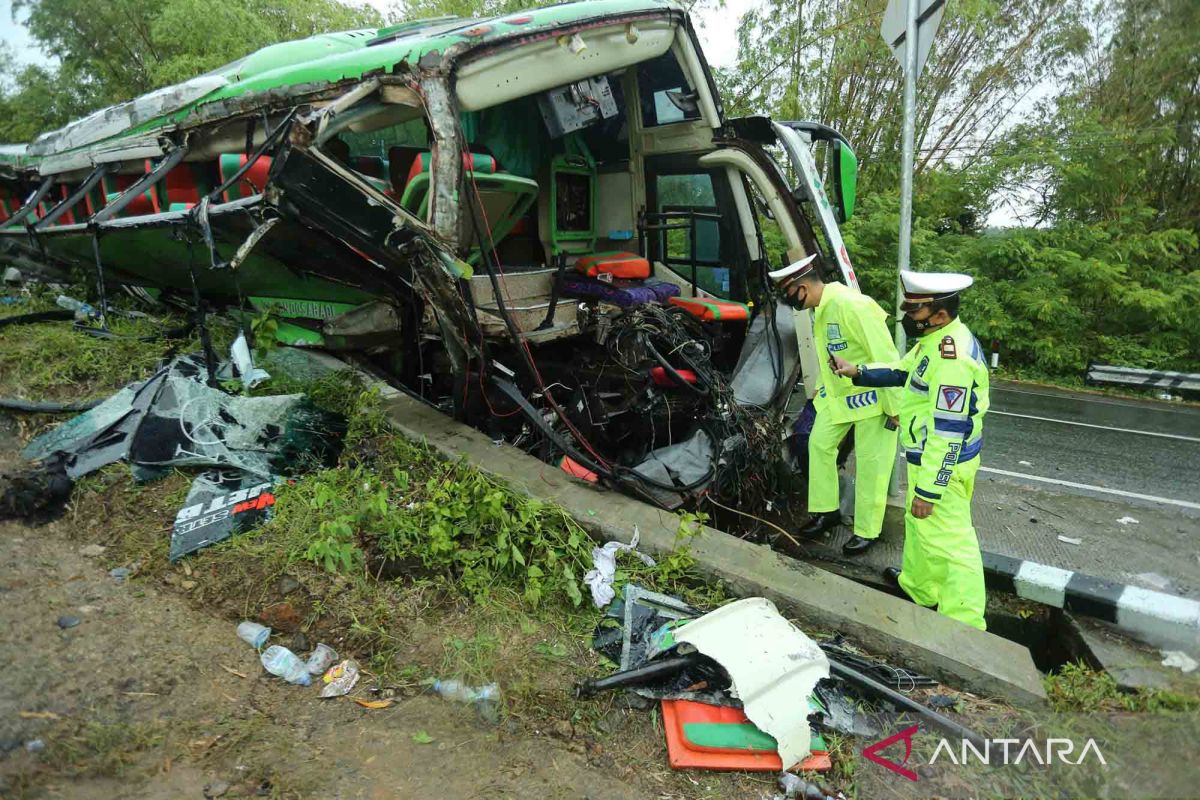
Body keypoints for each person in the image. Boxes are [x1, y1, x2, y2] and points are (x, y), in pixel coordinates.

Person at [831, 270, 990, 630]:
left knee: (951, 545)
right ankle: (919, 587)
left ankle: (964, 624)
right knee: (920, 529)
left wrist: (929, 490)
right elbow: (905, 372)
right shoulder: (935, 341)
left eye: (914, 311)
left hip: (942, 467)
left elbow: (950, 433)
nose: (906, 317)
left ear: (940, 314)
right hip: (924, 456)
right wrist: (858, 371)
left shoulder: (952, 361)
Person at [770, 254, 900, 555]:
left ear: (802, 287)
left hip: (873, 396)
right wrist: (819, 390)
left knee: (871, 464)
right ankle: (827, 511)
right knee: (818, 445)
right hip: (840, 396)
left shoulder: (853, 305)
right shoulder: (821, 308)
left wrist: (895, 407)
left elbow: (885, 353)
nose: (789, 302)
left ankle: (867, 530)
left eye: (789, 294)